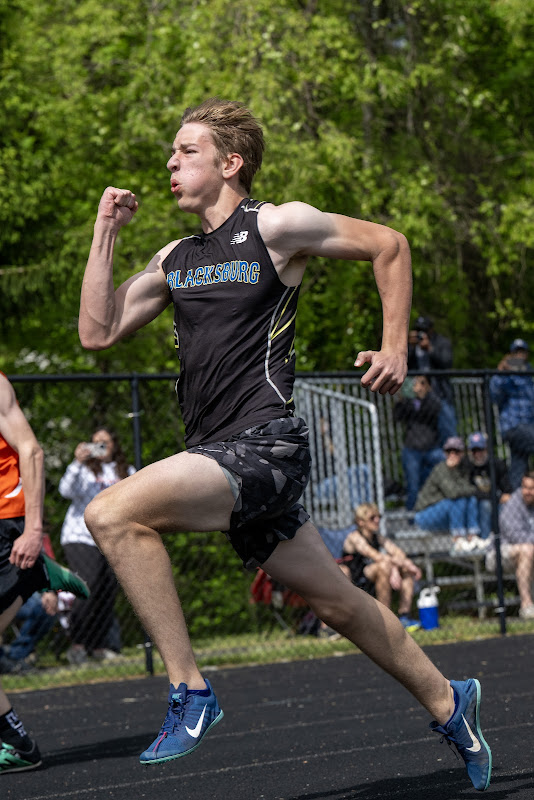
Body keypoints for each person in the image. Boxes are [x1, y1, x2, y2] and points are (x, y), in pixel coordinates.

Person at [78, 98, 491, 791]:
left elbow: (388, 244)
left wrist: (396, 349)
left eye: (186, 152)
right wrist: (105, 232)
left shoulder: (275, 226)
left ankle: (191, 691)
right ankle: (452, 703)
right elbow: (98, 330)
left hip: (263, 445)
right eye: (172, 154)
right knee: (338, 604)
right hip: (217, 452)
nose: (170, 163)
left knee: (112, 514)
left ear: (229, 163)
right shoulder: (175, 257)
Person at [0, 373, 89, 774]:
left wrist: (35, 531)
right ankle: (18, 745)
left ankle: (19, 746)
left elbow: (31, 450)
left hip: (8, 523)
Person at [59, 428, 134, 664]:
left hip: (111, 537)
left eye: (104, 443)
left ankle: (99, 646)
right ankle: (77, 645)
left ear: (114, 445)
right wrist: (76, 462)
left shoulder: (126, 471)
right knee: (88, 584)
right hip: (80, 535)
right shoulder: (84, 470)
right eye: (95, 443)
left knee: (106, 590)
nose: (100, 447)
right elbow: (65, 491)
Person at [340, 503, 422, 631]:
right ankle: (385, 619)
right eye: (372, 517)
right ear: (360, 522)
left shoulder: (377, 537)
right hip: (357, 576)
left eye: (379, 516)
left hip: (376, 572)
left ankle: (404, 616)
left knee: (405, 570)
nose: (377, 520)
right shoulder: (355, 537)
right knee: (384, 566)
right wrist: (395, 568)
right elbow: (376, 556)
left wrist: (408, 565)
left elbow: (399, 553)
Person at [414, 436, 487, 555]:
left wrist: (469, 490)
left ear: (462, 453)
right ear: (444, 453)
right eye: (449, 451)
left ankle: (472, 537)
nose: (452, 454)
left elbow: (467, 492)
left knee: (471, 500)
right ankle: (458, 540)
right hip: (425, 515)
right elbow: (453, 493)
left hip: (447, 514)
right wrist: (471, 489)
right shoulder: (440, 470)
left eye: (456, 451)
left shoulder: (462, 469)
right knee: (457, 501)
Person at [486, 471, 534, 619]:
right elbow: (515, 536)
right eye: (525, 487)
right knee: (527, 550)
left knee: (528, 551)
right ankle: (526, 605)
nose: (528, 492)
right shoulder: (513, 504)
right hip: (498, 554)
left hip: (527, 550)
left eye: (532, 488)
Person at [393, 375, 444, 510]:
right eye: (416, 384)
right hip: (412, 449)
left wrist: (423, 396)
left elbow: (432, 411)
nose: (418, 387)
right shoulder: (408, 403)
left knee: (441, 469)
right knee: (413, 485)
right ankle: (411, 516)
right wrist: (400, 398)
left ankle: (436, 509)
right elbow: (397, 417)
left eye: (422, 384)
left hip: (431, 448)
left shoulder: (433, 402)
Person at [490, 339, 534, 489]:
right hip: (513, 426)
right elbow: (493, 396)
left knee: (518, 467)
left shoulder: (528, 373)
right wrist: (500, 372)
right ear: (511, 354)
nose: (520, 356)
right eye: (516, 353)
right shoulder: (505, 375)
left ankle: (510, 504)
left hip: (528, 427)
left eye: (522, 352)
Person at [408, 316, 457, 444]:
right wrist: (409, 346)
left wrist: (429, 349)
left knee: (448, 433)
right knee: (421, 435)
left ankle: (452, 457)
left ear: (431, 330)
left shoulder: (441, 342)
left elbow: (447, 363)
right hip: (418, 396)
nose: (421, 333)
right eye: (418, 330)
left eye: (424, 330)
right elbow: (403, 365)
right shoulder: (412, 345)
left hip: (440, 394)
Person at [465, 431, 511, 540]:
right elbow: (470, 491)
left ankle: (503, 540)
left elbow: (507, 489)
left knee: (503, 507)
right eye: (474, 450)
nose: (477, 454)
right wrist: (496, 496)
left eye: (480, 449)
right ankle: (485, 541)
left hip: (496, 500)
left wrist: (503, 495)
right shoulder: (467, 466)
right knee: (484, 504)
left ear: (486, 449)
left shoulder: (496, 464)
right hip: (478, 503)